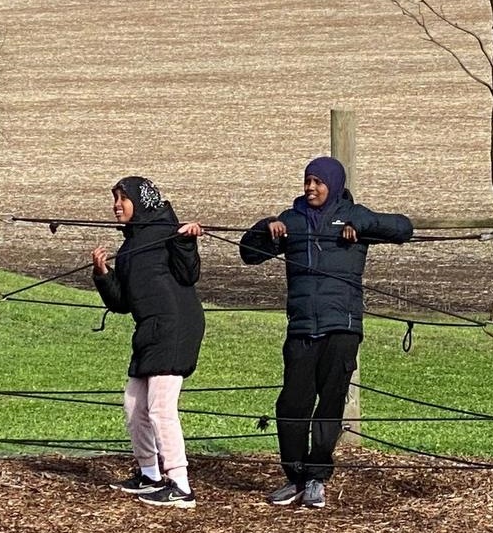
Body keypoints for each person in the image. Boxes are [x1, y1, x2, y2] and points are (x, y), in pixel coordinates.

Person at [239, 156, 413, 508]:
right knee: (291, 404)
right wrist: (266, 227)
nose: (310, 187)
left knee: (330, 403)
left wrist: (360, 223)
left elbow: (404, 228)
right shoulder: (291, 220)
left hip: (342, 326)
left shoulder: (353, 215)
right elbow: (248, 253)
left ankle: (317, 476)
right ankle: (296, 477)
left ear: (332, 184)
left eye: (318, 182)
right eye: (307, 181)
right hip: (302, 326)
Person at [91, 175, 205, 509]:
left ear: (140, 202)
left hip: (176, 327)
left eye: (122, 199)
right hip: (149, 329)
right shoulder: (129, 247)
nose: (116, 206)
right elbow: (122, 303)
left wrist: (187, 241)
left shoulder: (169, 233)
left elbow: (189, 274)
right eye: (114, 198)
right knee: (133, 405)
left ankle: (181, 485)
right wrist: (103, 274)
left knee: (160, 408)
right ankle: (149, 474)